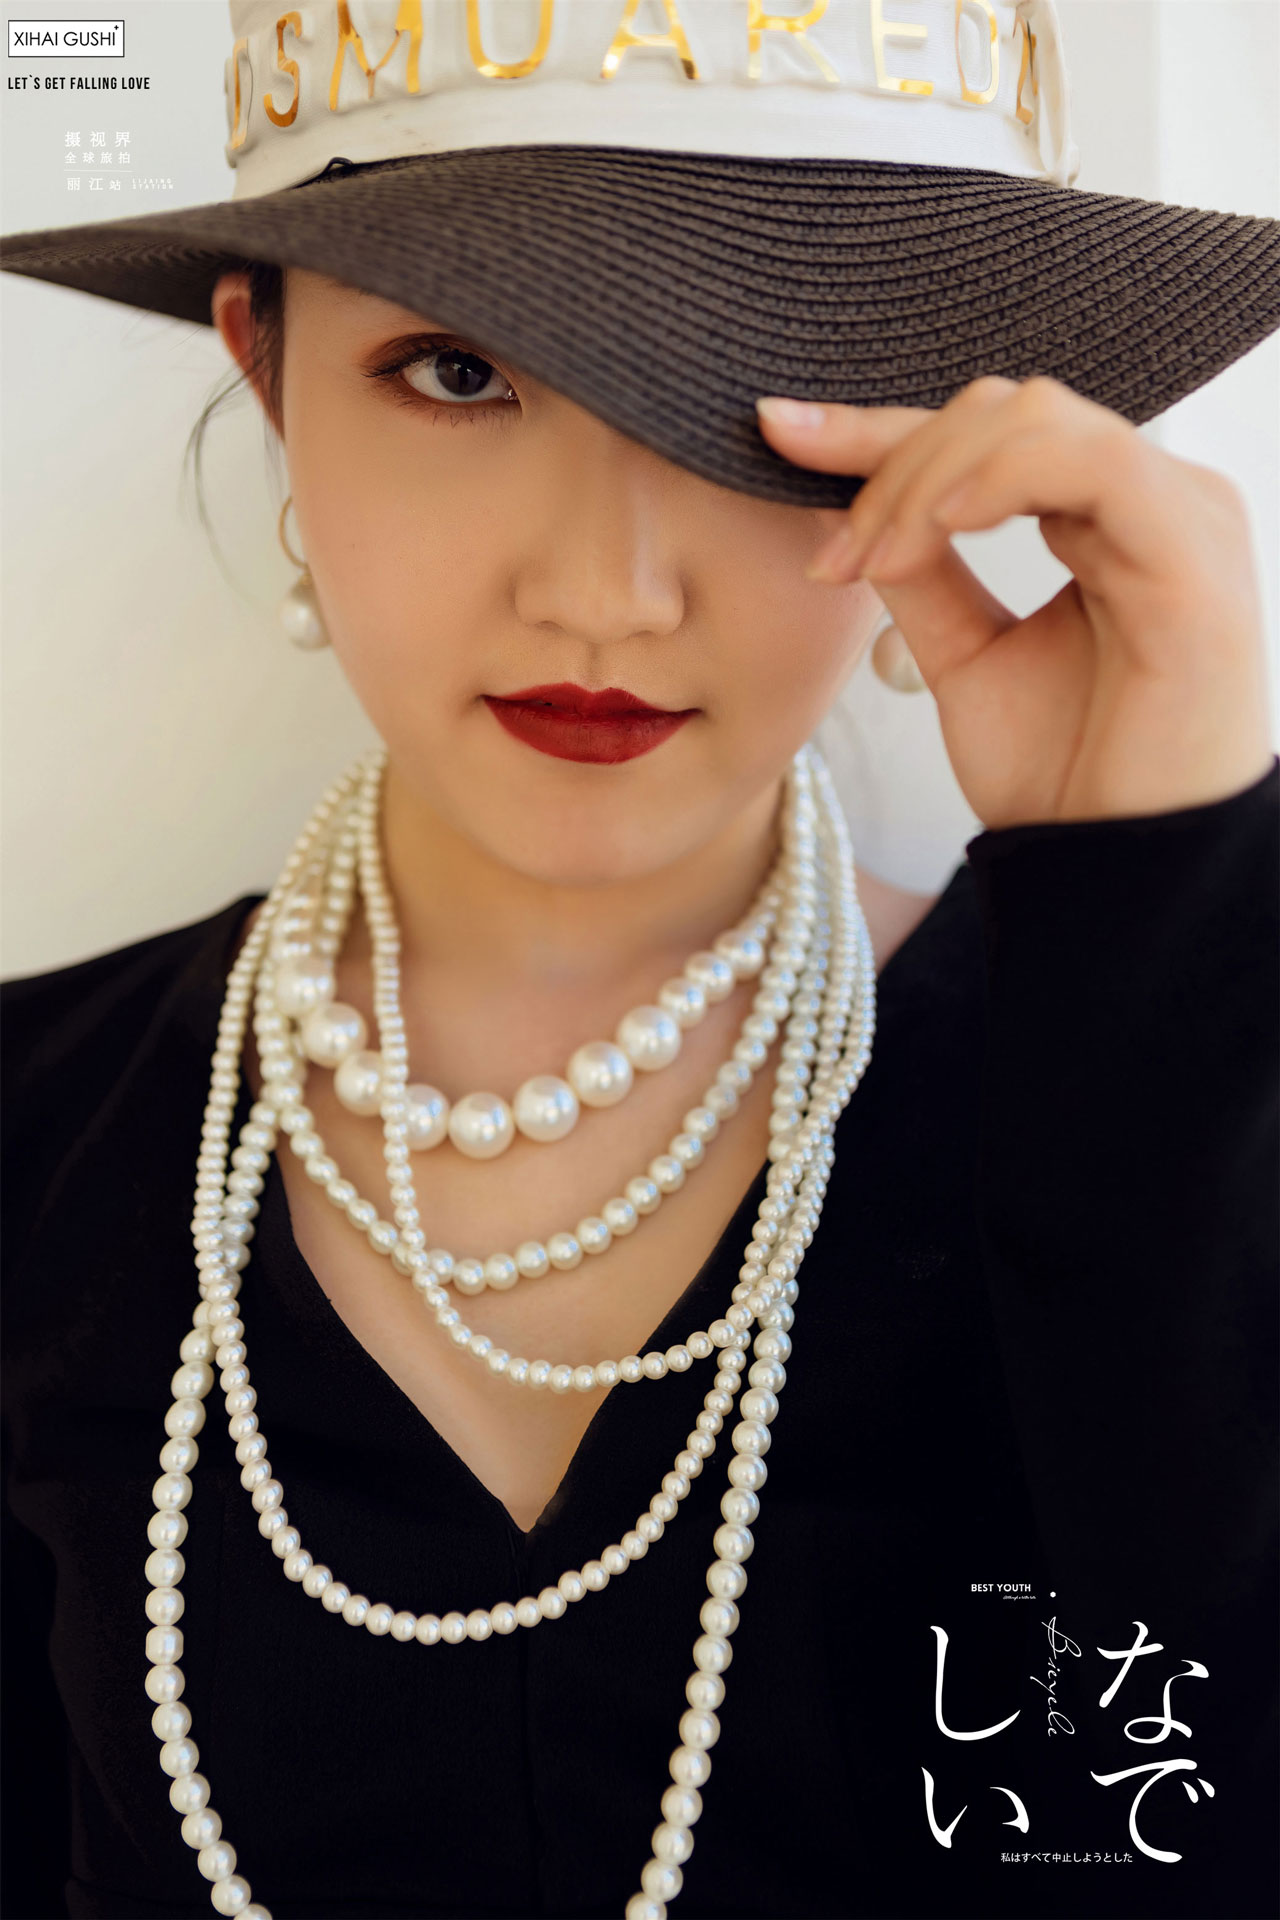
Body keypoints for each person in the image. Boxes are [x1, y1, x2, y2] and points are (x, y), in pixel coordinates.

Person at [2, 4, 1277, 1918]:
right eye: (458, 370)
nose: (606, 590)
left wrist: (1156, 909)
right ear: (265, 371)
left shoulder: (1162, 1117)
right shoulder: (35, 1138)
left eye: (766, 390)